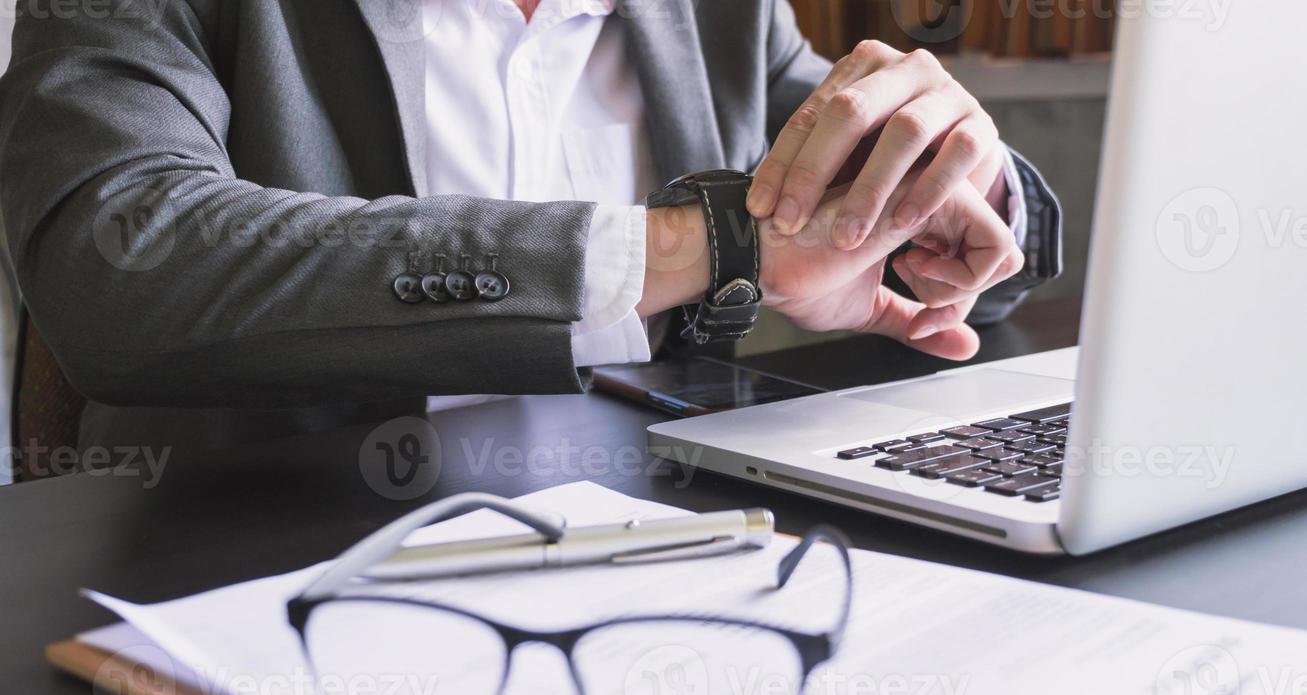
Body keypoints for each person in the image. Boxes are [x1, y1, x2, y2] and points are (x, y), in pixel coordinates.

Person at [0, 0, 1060, 452]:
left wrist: (951, 182)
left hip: (673, 581)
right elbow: (123, 261)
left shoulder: (716, 14)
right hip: (257, 603)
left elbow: (940, 228)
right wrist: (702, 246)